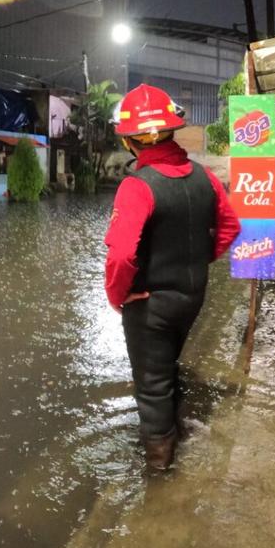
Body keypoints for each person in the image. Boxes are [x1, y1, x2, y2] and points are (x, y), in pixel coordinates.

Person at [103, 84, 241, 471]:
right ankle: (174, 432)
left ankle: (160, 470)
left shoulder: (137, 186)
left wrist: (117, 296)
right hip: (191, 296)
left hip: (151, 304)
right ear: (171, 131)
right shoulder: (205, 178)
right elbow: (230, 227)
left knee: (152, 385)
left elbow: (121, 256)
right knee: (167, 365)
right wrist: (195, 262)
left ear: (130, 141)